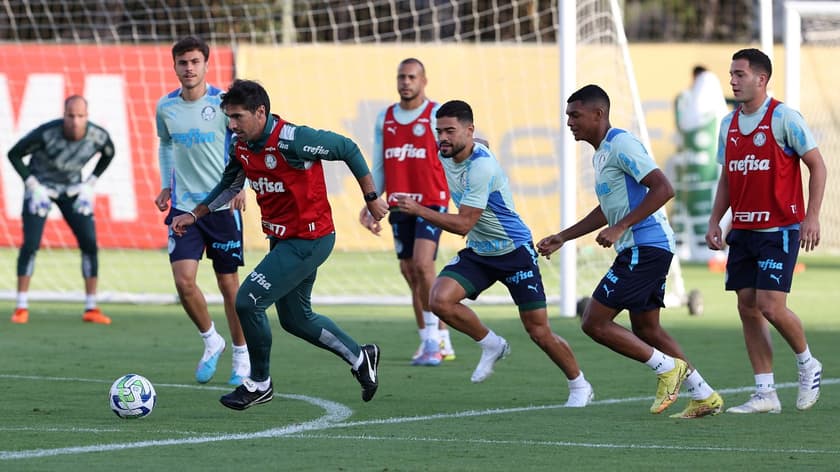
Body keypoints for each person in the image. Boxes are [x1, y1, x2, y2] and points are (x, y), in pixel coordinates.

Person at [171, 79, 387, 410]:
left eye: (237, 117)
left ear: (261, 112)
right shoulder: (241, 145)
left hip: (310, 239)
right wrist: (196, 214)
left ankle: (259, 383)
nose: (231, 125)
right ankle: (362, 357)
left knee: (248, 301)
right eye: (228, 117)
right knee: (295, 319)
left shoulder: (294, 140)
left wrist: (371, 198)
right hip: (283, 239)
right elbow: (231, 183)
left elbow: (347, 148)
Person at [537, 85, 723, 418]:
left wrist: (622, 226)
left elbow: (664, 188)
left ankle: (667, 369)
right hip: (645, 247)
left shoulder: (621, 143)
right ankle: (704, 395)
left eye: (575, 115)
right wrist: (564, 237)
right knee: (647, 330)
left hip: (645, 246)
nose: (569, 122)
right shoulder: (601, 153)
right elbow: (608, 208)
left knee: (593, 322)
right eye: (567, 116)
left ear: (599, 114)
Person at [395, 100, 593, 407]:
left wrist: (417, 209)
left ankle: (580, 385)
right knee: (438, 300)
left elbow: (462, 224)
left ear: (468, 131)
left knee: (538, 331)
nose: (443, 138)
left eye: (450, 131)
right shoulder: (448, 151)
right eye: (439, 132)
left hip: (514, 251)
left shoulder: (481, 167)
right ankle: (492, 344)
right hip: (481, 252)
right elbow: (481, 144)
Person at [705, 48, 826, 414]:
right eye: (731, 74)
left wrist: (812, 216)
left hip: (780, 228)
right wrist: (716, 220)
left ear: (762, 79)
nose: (733, 80)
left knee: (770, 305)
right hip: (743, 228)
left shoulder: (784, 117)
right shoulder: (727, 124)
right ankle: (765, 393)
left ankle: (807, 363)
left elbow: (817, 167)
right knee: (747, 307)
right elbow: (728, 176)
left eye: (740, 74)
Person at [154, 36, 250, 386]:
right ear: (175, 66)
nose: (189, 68)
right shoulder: (166, 107)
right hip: (183, 208)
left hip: (222, 207)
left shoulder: (223, 105)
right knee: (183, 282)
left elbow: (244, 145)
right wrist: (166, 184)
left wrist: (243, 187)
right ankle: (212, 340)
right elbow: (166, 145)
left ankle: (242, 355)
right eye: (183, 62)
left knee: (229, 286)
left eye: (195, 61)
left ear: (206, 65)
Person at [359, 58, 455, 366]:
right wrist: (371, 200)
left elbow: (453, 156)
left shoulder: (436, 114)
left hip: (431, 201)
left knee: (423, 264)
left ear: (424, 81)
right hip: (400, 202)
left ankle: (434, 342)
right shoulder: (385, 117)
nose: (406, 82)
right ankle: (435, 337)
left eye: (412, 77)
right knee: (410, 272)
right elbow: (380, 162)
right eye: (401, 76)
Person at [8, 95, 114, 325]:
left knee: (89, 243)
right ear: (63, 114)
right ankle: (21, 306)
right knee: (31, 244)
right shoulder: (46, 133)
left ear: (87, 116)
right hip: (41, 189)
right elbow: (14, 154)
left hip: (73, 190)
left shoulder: (98, 136)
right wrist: (32, 184)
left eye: (80, 116)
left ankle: (91, 307)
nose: (75, 121)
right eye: (70, 116)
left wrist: (90, 183)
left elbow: (109, 154)